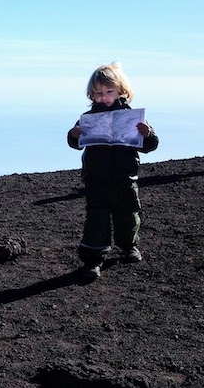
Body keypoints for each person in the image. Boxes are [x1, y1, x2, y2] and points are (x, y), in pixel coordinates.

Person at [67, 62, 159, 280]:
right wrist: (74, 133)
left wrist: (147, 134)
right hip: (96, 178)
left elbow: (149, 146)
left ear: (121, 90)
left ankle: (129, 246)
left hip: (125, 177)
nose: (103, 97)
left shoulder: (133, 117)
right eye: (98, 93)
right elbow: (75, 143)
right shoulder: (87, 117)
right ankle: (93, 259)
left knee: (128, 214)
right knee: (96, 218)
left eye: (109, 91)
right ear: (91, 95)